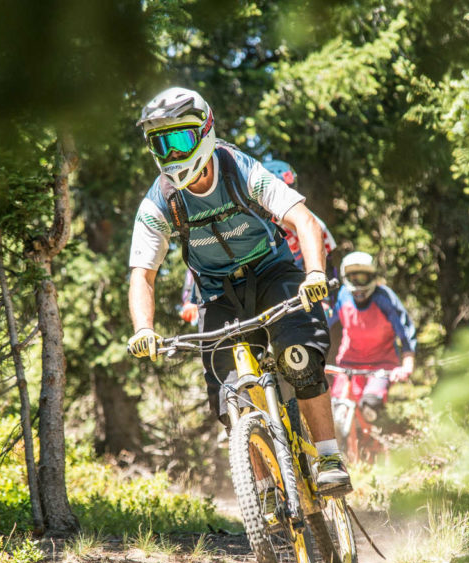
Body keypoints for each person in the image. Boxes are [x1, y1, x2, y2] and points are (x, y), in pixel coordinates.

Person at [126, 87, 352, 495]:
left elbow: (303, 220)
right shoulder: (159, 202)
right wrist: (144, 328)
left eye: (180, 139)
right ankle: (263, 490)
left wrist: (314, 273)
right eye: (162, 143)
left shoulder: (240, 169)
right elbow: (142, 273)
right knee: (230, 397)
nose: (173, 154)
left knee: (299, 358)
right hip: (217, 294)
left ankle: (329, 455)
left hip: (273, 273)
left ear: (205, 132)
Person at [177, 159, 337, 325]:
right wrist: (189, 300)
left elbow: (330, 265)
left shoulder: (312, 224)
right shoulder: (240, 216)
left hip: (294, 287)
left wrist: (325, 300)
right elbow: (205, 257)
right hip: (247, 285)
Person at [329, 251, 416, 421]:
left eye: (363, 277)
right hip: (347, 364)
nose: (358, 284)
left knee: (370, 407)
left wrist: (407, 363)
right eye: (353, 278)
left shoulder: (385, 298)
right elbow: (324, 323)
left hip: (381, 366)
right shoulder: (342, 296)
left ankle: (378, 443)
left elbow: (405, 331)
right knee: (336, 409)